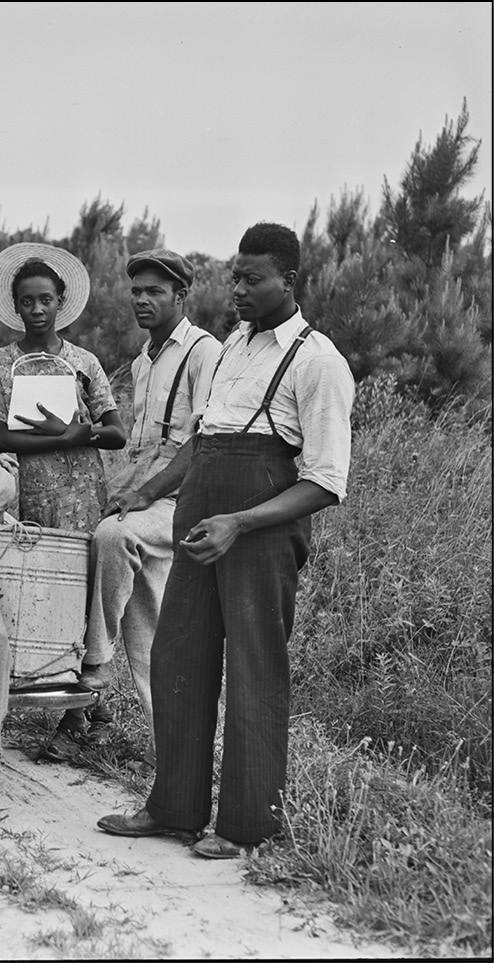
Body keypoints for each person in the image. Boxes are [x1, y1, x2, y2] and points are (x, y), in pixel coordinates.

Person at [98, 223, 354, 859]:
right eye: (233, 276)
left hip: (260, 532)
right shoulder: (234, 346)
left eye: (252, 279)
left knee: (252, 669)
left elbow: (325, 481)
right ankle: (175, 807)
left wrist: (240, 522)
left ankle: (246, 826)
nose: (235, 289)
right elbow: (203, 441)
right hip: (200, 519)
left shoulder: (317, 361)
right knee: (177, 657)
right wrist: (147, 492)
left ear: (288, 281)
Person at [79, 249, 221, 770]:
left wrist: (143, 494)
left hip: (183, 497)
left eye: (154, 291)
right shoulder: (145, 358)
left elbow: (201, 442)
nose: (141, 299)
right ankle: (176, 760)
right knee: (151, 632)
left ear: (181, 297)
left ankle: (94, 667)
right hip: (145, 486)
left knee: (113, 539)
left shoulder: (205, 352)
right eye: (136, 290)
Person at [0, 243, 126, 742]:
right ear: (15, 306)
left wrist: (77, 434)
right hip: (29, 489)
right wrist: (58, 436)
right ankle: (31, 682)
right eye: (27, 302)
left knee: (83, 588)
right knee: (32, 582)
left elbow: (115, 431)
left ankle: (85, 703)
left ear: (60, 301)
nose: (37, 310)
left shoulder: (83, 362)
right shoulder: (0, 363)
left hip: (82, 488)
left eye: (46, 300)